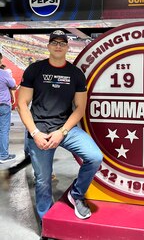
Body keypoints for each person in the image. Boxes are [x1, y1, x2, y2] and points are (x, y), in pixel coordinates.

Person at [17, 30, 103, 221]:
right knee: (43, 181)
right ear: (48, 46)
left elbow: (80, 108)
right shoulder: (34, 70)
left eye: (62, 43)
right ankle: (46, 220)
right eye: (54, 42)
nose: (58, 45)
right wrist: (35, 133)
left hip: (66, 129)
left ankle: (76, 194)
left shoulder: (75, 74)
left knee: (95, 157)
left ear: (67, 47)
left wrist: (62, 132)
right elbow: (22, 104)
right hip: (39, 130)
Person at [0, 52, 17, 163]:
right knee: (4, 130)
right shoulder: (4, 73)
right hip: (3, 105)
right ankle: (3, 155)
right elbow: (13, 85)